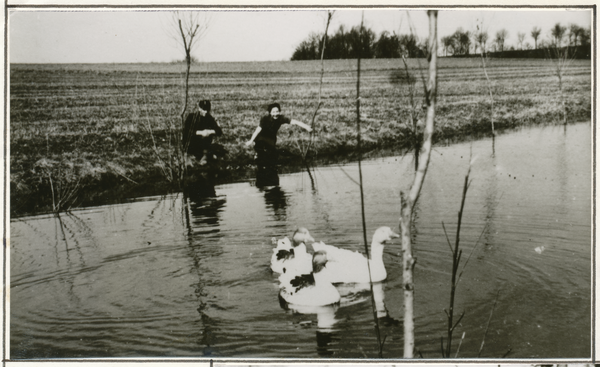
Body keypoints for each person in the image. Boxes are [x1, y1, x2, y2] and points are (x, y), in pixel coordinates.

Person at [245, 102, 312, 166]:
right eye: (273, 112)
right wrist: (251, 140)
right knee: (261, 149)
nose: (276, 114)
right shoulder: (265, 119)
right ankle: (257, 155)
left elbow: (295, 122)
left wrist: (307, 127)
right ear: (270, 113)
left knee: (271, 154)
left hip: (271, 138)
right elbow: (257, 130)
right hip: (261, 137)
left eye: (277, 111)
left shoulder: (281, 118)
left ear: (279, 112)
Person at [183, 100, 223, 166]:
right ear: (199, 108)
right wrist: (199, 133)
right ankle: (188, 156)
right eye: (203, 109)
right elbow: (186, 131)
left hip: (203, 144)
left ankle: (204, 156)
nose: (206, 112)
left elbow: (219, 131)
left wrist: (209, 131)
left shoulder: (209, 118)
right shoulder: (192, 117)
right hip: (192, 143)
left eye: (207, 110)